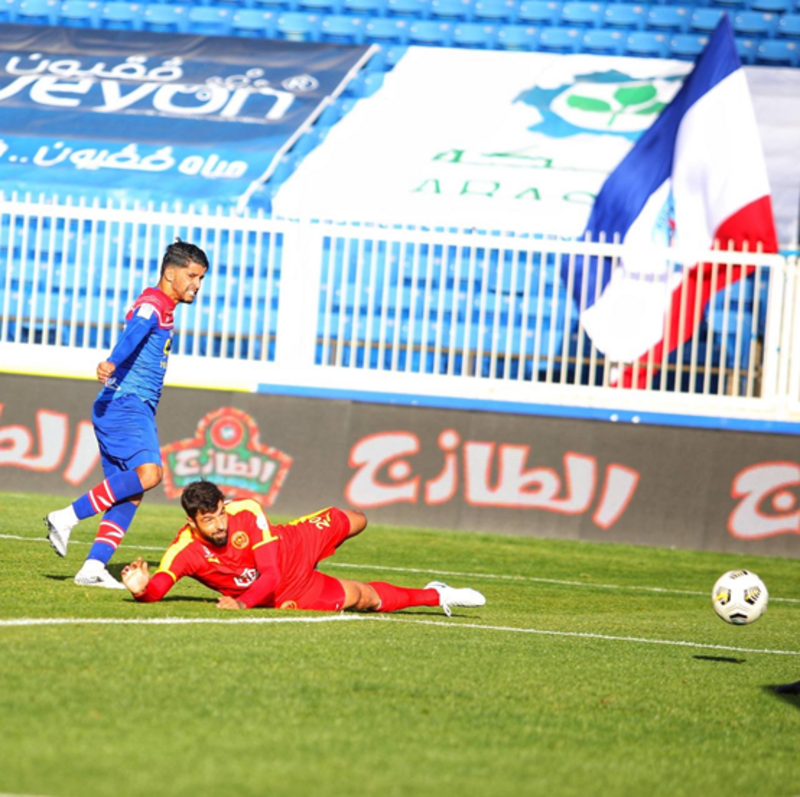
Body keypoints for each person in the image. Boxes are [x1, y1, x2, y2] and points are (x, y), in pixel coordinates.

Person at [44, 240, 209, 589]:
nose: (197, 284)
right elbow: (135, 331)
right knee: (149, 474)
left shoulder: (163, 306)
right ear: (170, 273)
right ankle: (66, 517)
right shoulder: (154, 304)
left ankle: (92, 568)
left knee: (129, 492)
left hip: (124, 405)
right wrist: (112, 362)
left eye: (201, 278)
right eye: (192, 275)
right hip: (126, 403)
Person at [120, 480, 486, 616]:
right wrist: (141, 590)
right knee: (363, 598)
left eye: (220, 514)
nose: (219, 525)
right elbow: (158, 590)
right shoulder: (183, 551)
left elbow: (271, 570)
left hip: (290, 545)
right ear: (191, 523)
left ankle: (335, 537)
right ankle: (436, 597)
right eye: (209, 521)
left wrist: (241, 603)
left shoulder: (245, 510)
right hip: (284, 592)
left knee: (357, 518)